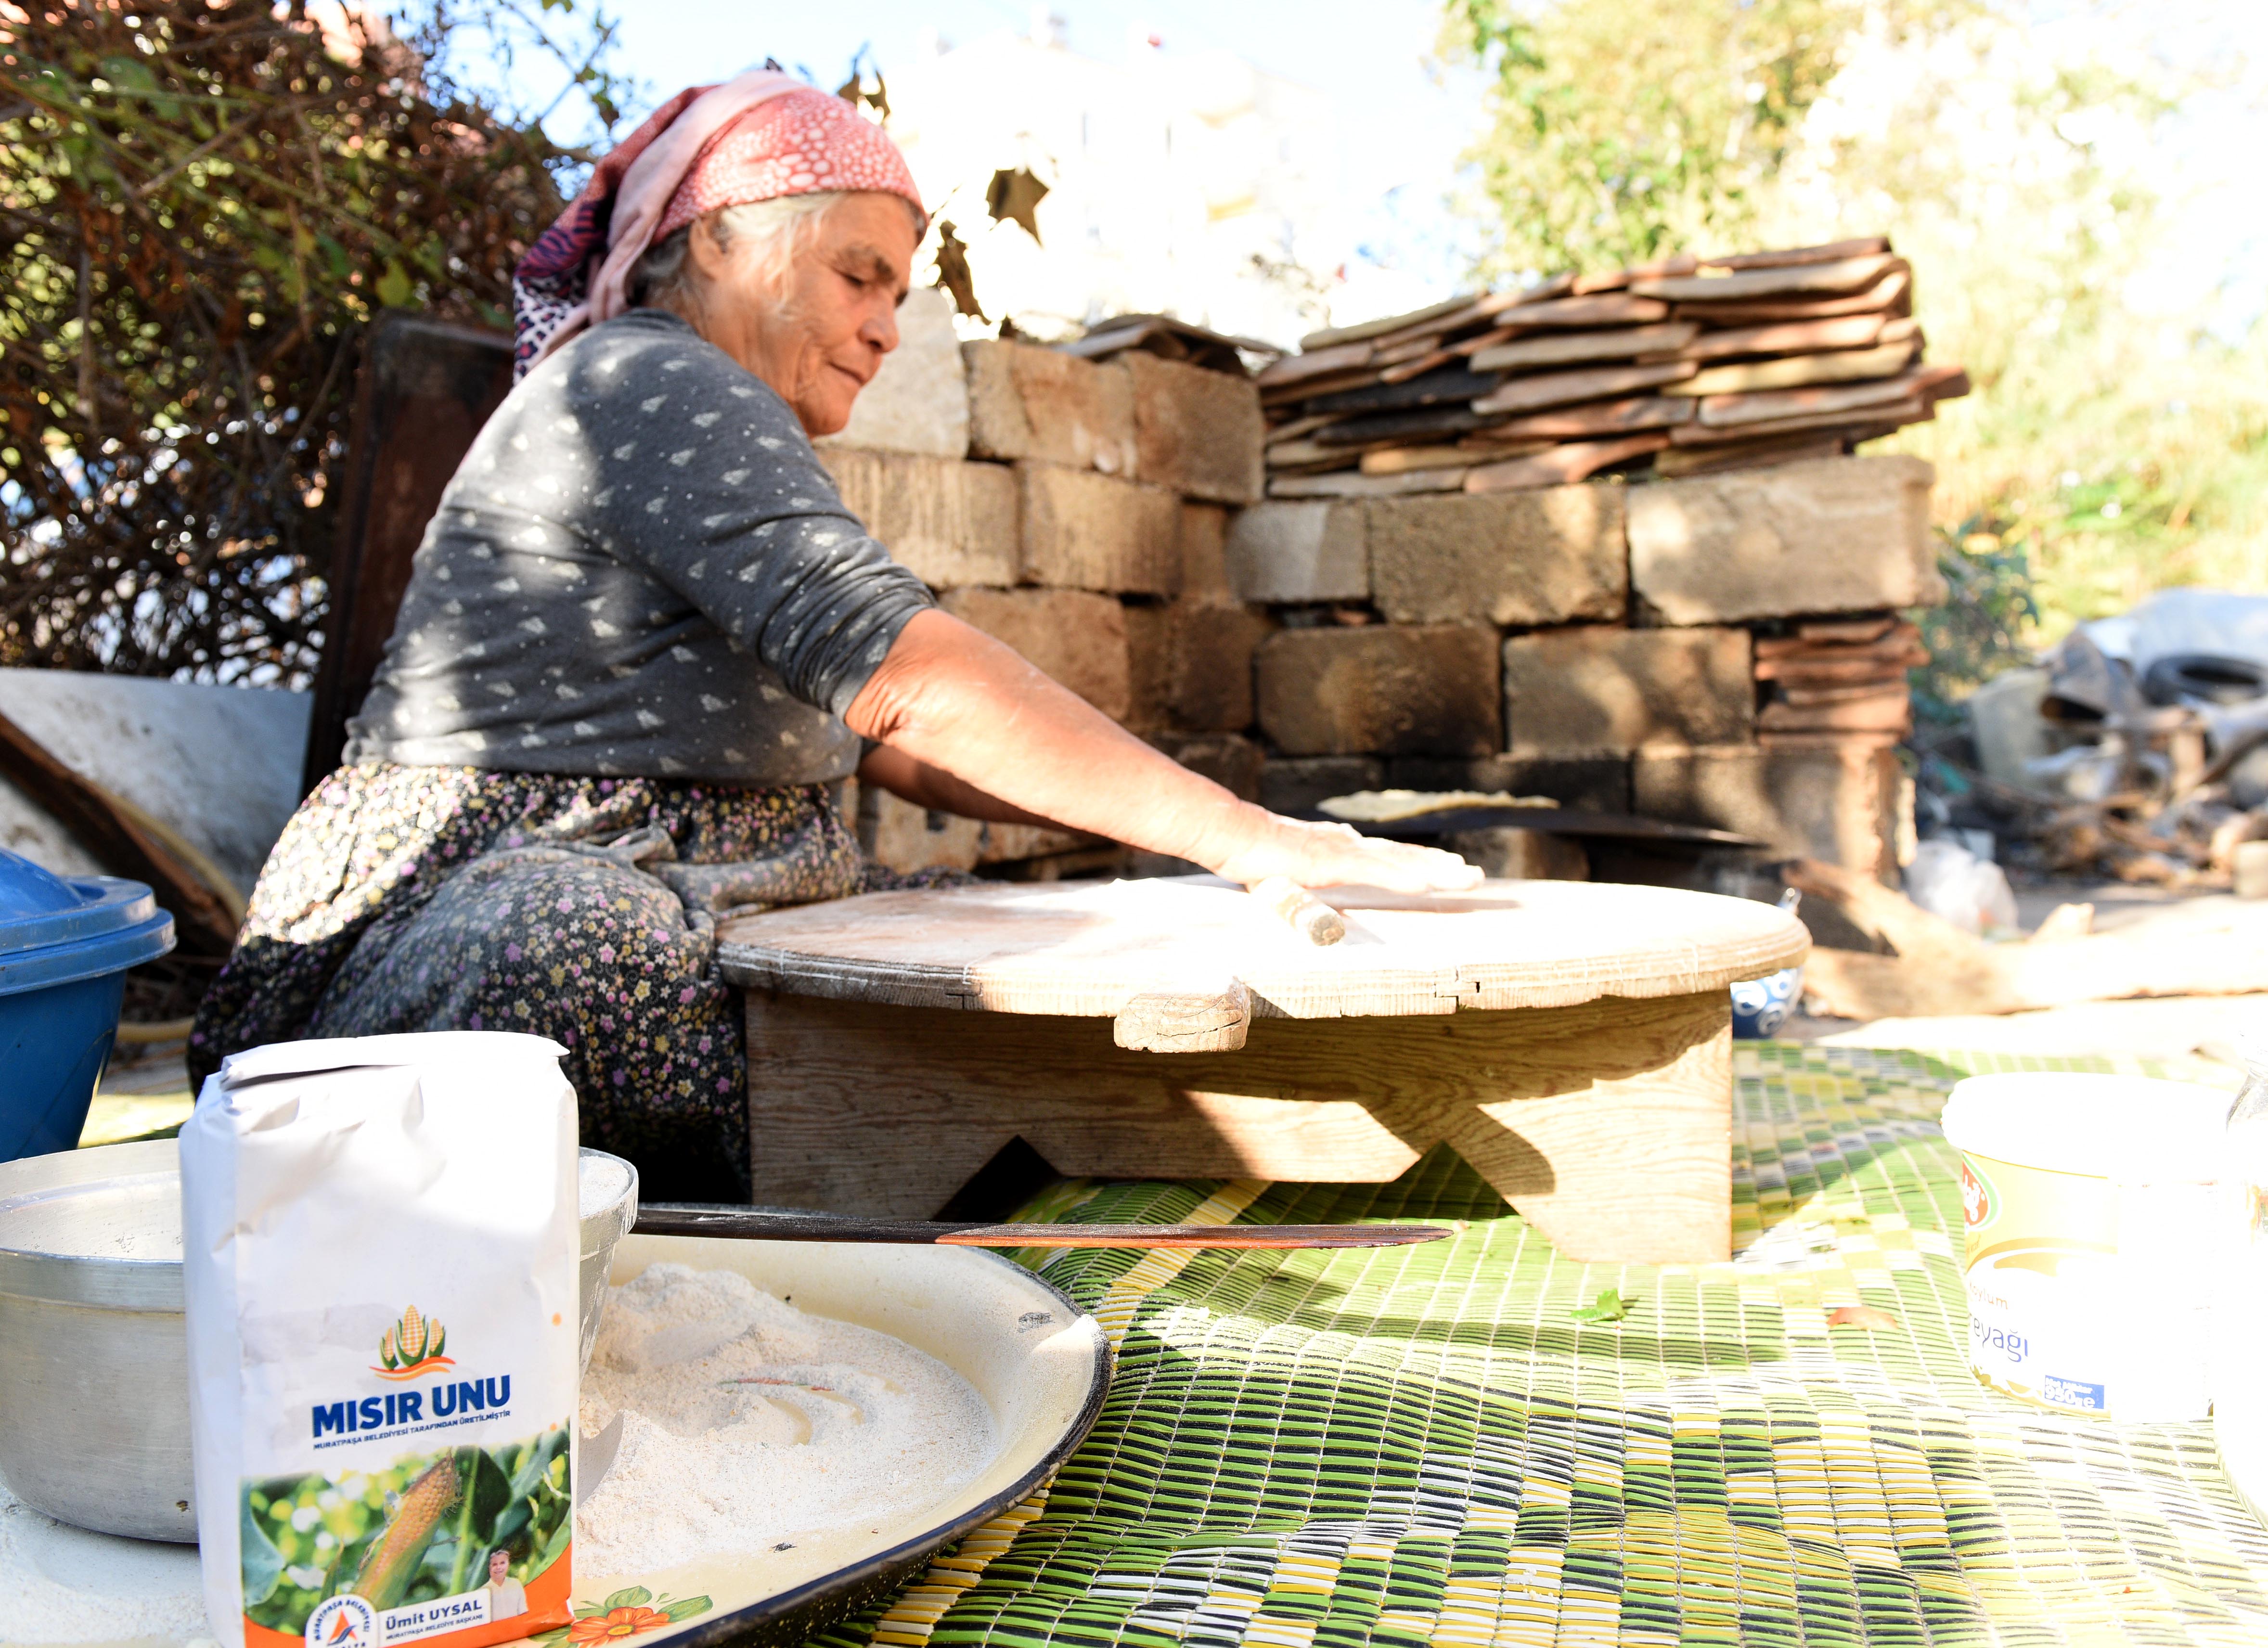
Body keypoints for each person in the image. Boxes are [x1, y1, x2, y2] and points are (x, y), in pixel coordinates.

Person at [188, 66, 1479, 1199]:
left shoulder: (711, 414)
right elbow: (907, 681)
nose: (885, 323)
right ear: (720, 248)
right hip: (488, 914)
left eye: (900, 292)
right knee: (582, 950)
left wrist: (1182, 860)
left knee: (1012, 947)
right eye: (858, 275)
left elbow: (892, 745)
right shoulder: (647, 380)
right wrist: (1255, 841)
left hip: (714, 883)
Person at [483, 1548, 527, 1620]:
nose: (499, 1568)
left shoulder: (516, 1584)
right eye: (495, 1565)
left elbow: (523, 1609)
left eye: (502, 1563)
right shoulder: (485, 1592)